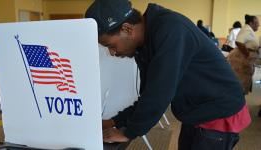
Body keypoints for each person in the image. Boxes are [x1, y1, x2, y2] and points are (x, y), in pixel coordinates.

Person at [85, 1, 251, 150]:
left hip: (219, 112)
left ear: (127, 28)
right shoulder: (145, 43)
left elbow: (160, 93)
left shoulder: (171, 29)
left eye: (110, 45)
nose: (112, 53)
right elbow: (148, 95)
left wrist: (129, 132)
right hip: (196, 110)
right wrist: (115, 121)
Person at [235, 14, 261, 117]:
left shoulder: (249, 30)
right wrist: (247, 54)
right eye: (257, 25)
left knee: (244, 84)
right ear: (251, 23)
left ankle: (239, 108)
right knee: (241, 84)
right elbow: (239, 42)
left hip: (246, 61)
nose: (258, 27)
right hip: (242, 61)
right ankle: (237, 110)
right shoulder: (247, 29)